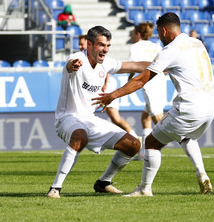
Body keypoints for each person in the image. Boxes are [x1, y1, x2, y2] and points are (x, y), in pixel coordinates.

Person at [94, 12, 214, 196]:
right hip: (210, 106)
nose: (159, 38)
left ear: (164, 30)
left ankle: (144, 189)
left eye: (159, 33)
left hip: (189, 107)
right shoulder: (196, 43)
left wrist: (113, 95)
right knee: (186, 137)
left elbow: (140, 80)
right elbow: (167, 66)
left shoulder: (171, 49)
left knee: (151, 142)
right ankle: (202, 173)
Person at [46, 25, 149, 198]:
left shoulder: (106, 63)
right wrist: (73, 65)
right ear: (89, 44)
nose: (105, 50)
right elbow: (71, 66)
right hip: (67, 118)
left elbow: (135, 65)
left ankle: (103, 182)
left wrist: (159, 66)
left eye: (108, 46)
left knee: (133, 145)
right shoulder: (77, 58)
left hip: (90, 120)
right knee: (80, 136)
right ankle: (55, 188)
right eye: (101, 45)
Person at [127, 23, 166, 160]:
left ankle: (183, 141)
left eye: (132, 33)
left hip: (149, 83)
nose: (131, 35)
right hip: (161, 81)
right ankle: (143, 153)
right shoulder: (156, 46)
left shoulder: (135, 47)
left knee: (158, 118)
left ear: (138, 34)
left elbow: (133, 66)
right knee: (146, 117)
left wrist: (129, 80)